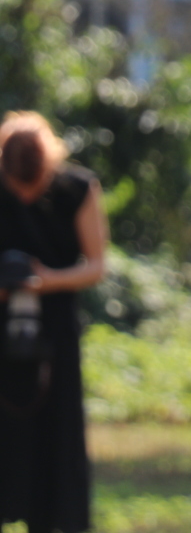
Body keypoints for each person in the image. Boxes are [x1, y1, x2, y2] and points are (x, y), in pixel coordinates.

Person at [0, 111, 108, 533]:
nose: (25, 196)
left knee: (55, 438)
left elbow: (96, 265)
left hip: (56, 332)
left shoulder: (77, 189)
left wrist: (47, 281)